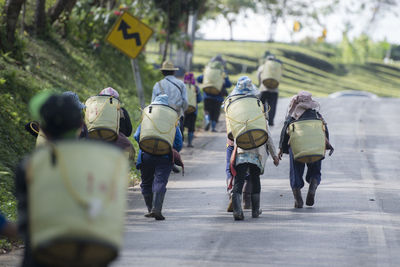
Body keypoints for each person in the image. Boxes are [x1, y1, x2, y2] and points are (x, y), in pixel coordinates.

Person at [16, 92, 128, 266]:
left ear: (42, 129)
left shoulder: (28, 167)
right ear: (81, 124)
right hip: (88, 253)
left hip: (42, 256)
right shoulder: (96, 163)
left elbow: (26, 223)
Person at [226, 77, 279, 220]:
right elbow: (266, 133)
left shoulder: (234, 107)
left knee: (239, 179)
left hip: (242, 149)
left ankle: (238, 211)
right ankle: (255, 210)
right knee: (255, 179)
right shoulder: (258, 105)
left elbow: (230, 133)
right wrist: (274, 155)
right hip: (258, 150)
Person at [278, 91, 334, 208]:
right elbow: (325, 131)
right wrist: (325, 146)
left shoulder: (293, 117)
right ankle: (313, 185)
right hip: (315, 148)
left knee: (296, 172)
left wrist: (282, 149)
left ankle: (298, 197)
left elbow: (284, 133)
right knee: (315, 170)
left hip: (298, 149)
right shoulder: (317, 115)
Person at [134, 95, 183, 221]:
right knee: (160, 181)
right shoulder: (172, 119)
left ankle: (150, 209)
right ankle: (157, 209)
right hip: (165, 155)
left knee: (146, 182)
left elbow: (137, 135)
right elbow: (178, 143)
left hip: (146, 155)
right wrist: (168, 145)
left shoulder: (148, 118)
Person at [197, 57, 232, 132]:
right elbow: (229, 84)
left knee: (207, 110)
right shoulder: (222, 72)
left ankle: (207, 120)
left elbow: (199, 79)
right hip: (218, 97)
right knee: (215, 113)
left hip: (207, 95)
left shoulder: (207, 70)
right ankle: (213, 127)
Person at [257, 54, 282, 126]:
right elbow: (279, 77)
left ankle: (262, 120)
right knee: (272, 106)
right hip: (274, 90)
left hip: (263, 89)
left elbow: (258, 76)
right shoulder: (277, 67)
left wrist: (260, 84)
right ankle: (271, 122)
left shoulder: (262, 67)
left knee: (262, 105)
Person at [183, 72, 202, 147]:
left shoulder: (182, 86)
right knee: (191, 127)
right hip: (193, 110)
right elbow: (200, 99)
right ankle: (189, 143)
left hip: (183, 110)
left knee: (182, 126)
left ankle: (181, 142)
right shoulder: (196, 88)